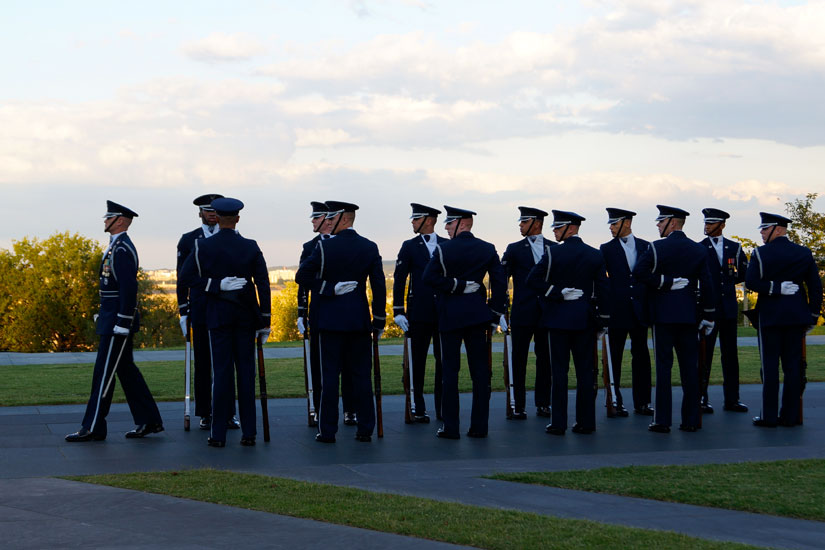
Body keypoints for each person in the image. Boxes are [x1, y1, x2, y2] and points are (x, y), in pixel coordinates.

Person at [66, 201, 164, 442]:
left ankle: (93, 426)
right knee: (125, 370)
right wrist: (105, 310)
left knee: (104, 374)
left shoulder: (121, 249)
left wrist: (122, 319)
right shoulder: (115, 246)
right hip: (111, 317)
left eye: (108, 217)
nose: (104, 221)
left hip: (117, 322)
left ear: (119, 220)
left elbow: (129, 288)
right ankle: (148, 420)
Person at [178, 198, 271, 447]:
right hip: (246, 318)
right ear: (238, 218)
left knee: (221, 375)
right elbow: (263, 283)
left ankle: (217, 433)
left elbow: (186, 277)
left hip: (217, 316)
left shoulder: (202, 247)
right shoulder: (250, 246)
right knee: (246, 375)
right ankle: (249, 433)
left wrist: (214, 285)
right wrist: (266, 320)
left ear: (216, 218)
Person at [295, 201, 386, 443]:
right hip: (358, 321)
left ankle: (327, 430)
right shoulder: (369, 247)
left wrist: (328, 288)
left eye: (331, 217)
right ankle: (365, 428)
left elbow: (301, 276)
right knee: (362, 376)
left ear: (342, 219)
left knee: (329, 378)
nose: (328, 222)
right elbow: (378, 287)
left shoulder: (325, 249)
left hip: (329, 322)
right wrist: (378, 321)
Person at [422, 205, 506, 439]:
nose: (446, 228)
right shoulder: (487, 249)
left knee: (450, 373)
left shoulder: (443, 249)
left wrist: (454, 286)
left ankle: (451, 427)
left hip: (450, 316)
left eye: (449, 223)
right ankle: (479, 427)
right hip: (478, 316)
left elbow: (428, 278)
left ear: (461, 223)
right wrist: (495, 314)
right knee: (480, 373)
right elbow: (499, 284)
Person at [527, 210, 609, 435]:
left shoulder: (553, 254)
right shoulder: (594, 254)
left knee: (559, 373)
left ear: (570, 228)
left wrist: (557, 292)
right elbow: (603, 289)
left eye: (558, 226)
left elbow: (532, 280)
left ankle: (558, 423)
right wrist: (603, 320)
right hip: (584, 319)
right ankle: (586, 422)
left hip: (558, 320)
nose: (554, 230)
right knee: (585, 373)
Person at [634, 205, 715, 433]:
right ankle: (690, 420)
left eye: (661, 221)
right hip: (689, 316)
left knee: (664, 369)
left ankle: (662, 420)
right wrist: (708, 315)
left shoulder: (657, 248)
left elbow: (639, 273)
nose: (658, 225)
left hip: (663, 316)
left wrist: (663, 282)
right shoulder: (698, 250)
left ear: (671, 222)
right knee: (690, 369)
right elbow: (707, 284)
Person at [746, 212, 822, 427]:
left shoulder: (760, 254)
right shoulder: (803, 253)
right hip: (797, 317)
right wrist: (813, 316)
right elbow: (815, 287)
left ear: (777, 229)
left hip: (769, 317)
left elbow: (751, 281)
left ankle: (768, 417)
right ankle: (790, 416)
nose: (761, 232)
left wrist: (772, 288)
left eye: (765, 228)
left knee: (769, 368)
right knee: (793, 368)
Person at [176, 193, 240, 431]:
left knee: (226, 363)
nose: (212, 215)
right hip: (201, 307)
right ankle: (205, 412)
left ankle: (227, 412)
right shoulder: (189, 240)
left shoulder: (234, 237)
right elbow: (182, 277)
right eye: (208, 211)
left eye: (215, 211)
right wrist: (183, 309)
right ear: (200, 213)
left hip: (226, 307)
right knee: (203, 363)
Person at [392, 203, 446, 423]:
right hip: (419, 312)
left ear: (428, 220)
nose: (413, 223)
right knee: (417, 362)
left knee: (443, 362)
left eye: (416, 219)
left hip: (443, 311)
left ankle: (443, 407)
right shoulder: (409, 246)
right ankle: (418, 406)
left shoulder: (446, 244)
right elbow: (399, 279)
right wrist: (398, 311)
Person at [500, 206, 553, 419]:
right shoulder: (514, 249)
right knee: (518, 359)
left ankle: (543, 403)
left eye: (524, 222)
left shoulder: (553, 247)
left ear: (536, 223)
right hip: (522, 311)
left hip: (547, 312)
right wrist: (503, 310)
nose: (520, 226)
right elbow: (501, 279)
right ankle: (518, 404)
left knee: (545, 359)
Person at [599, 208, 653, 417]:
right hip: (617, 310)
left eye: (614, 224)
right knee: (614, 358)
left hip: (639, 310)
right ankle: (614, 400)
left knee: (641, 357)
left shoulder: (646, 247)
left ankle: (643, 402)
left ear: (627, 223)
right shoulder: (606, 249)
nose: (611, 228)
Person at [699, 208, 749, 413]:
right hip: (708, 309)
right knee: (705, 355)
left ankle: (732, 399)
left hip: (728, 308)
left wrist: (727, 284)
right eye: (706, 223)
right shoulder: (699, 248)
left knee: (730, 356)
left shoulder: (734, 248)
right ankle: (702, 397)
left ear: (722, 225)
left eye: (711, 223)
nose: (707, 226)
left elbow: (743, 273)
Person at [296, 201, 330, 426]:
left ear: (328, 219)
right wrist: (301, 312)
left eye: (317, 218)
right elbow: (303, 283)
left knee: (346, 365)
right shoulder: (310, 246)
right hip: (318, 309)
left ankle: (349, 409)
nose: (313, 221)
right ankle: (318, 407)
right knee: (317, 366)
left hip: (341, 311)